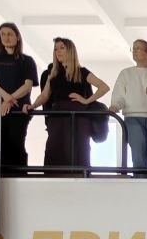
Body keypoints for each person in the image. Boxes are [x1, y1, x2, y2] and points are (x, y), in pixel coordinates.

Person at [32, 37, 109, 171]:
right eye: (56, 49)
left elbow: (104, 87)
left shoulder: (82, 72)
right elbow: (44, 96)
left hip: (78, 117)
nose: (58, 51)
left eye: (62, 48)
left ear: (70, 50)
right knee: (54, 148)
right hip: (58, 116)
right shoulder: (52, 74)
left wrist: (86, 100)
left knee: (78, 148)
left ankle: (80, 177)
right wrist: (32, 106)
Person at [0, 23, 37, 175]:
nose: (6, 37)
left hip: (19, 110)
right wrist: (6, 98)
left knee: (17, 144)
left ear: (17, 37)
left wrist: (9, 100)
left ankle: (19, 178)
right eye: (3, 34)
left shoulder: (27, 60)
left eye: (10, 34)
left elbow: (28, 86)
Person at [109, 39, 147, 175]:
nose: (134, 51)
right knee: (138, 158)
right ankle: (141, 187)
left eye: (138, 48)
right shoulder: (125, 73)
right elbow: (119, 95)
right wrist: (115, 105)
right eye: (133, 49)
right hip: (133, 118)